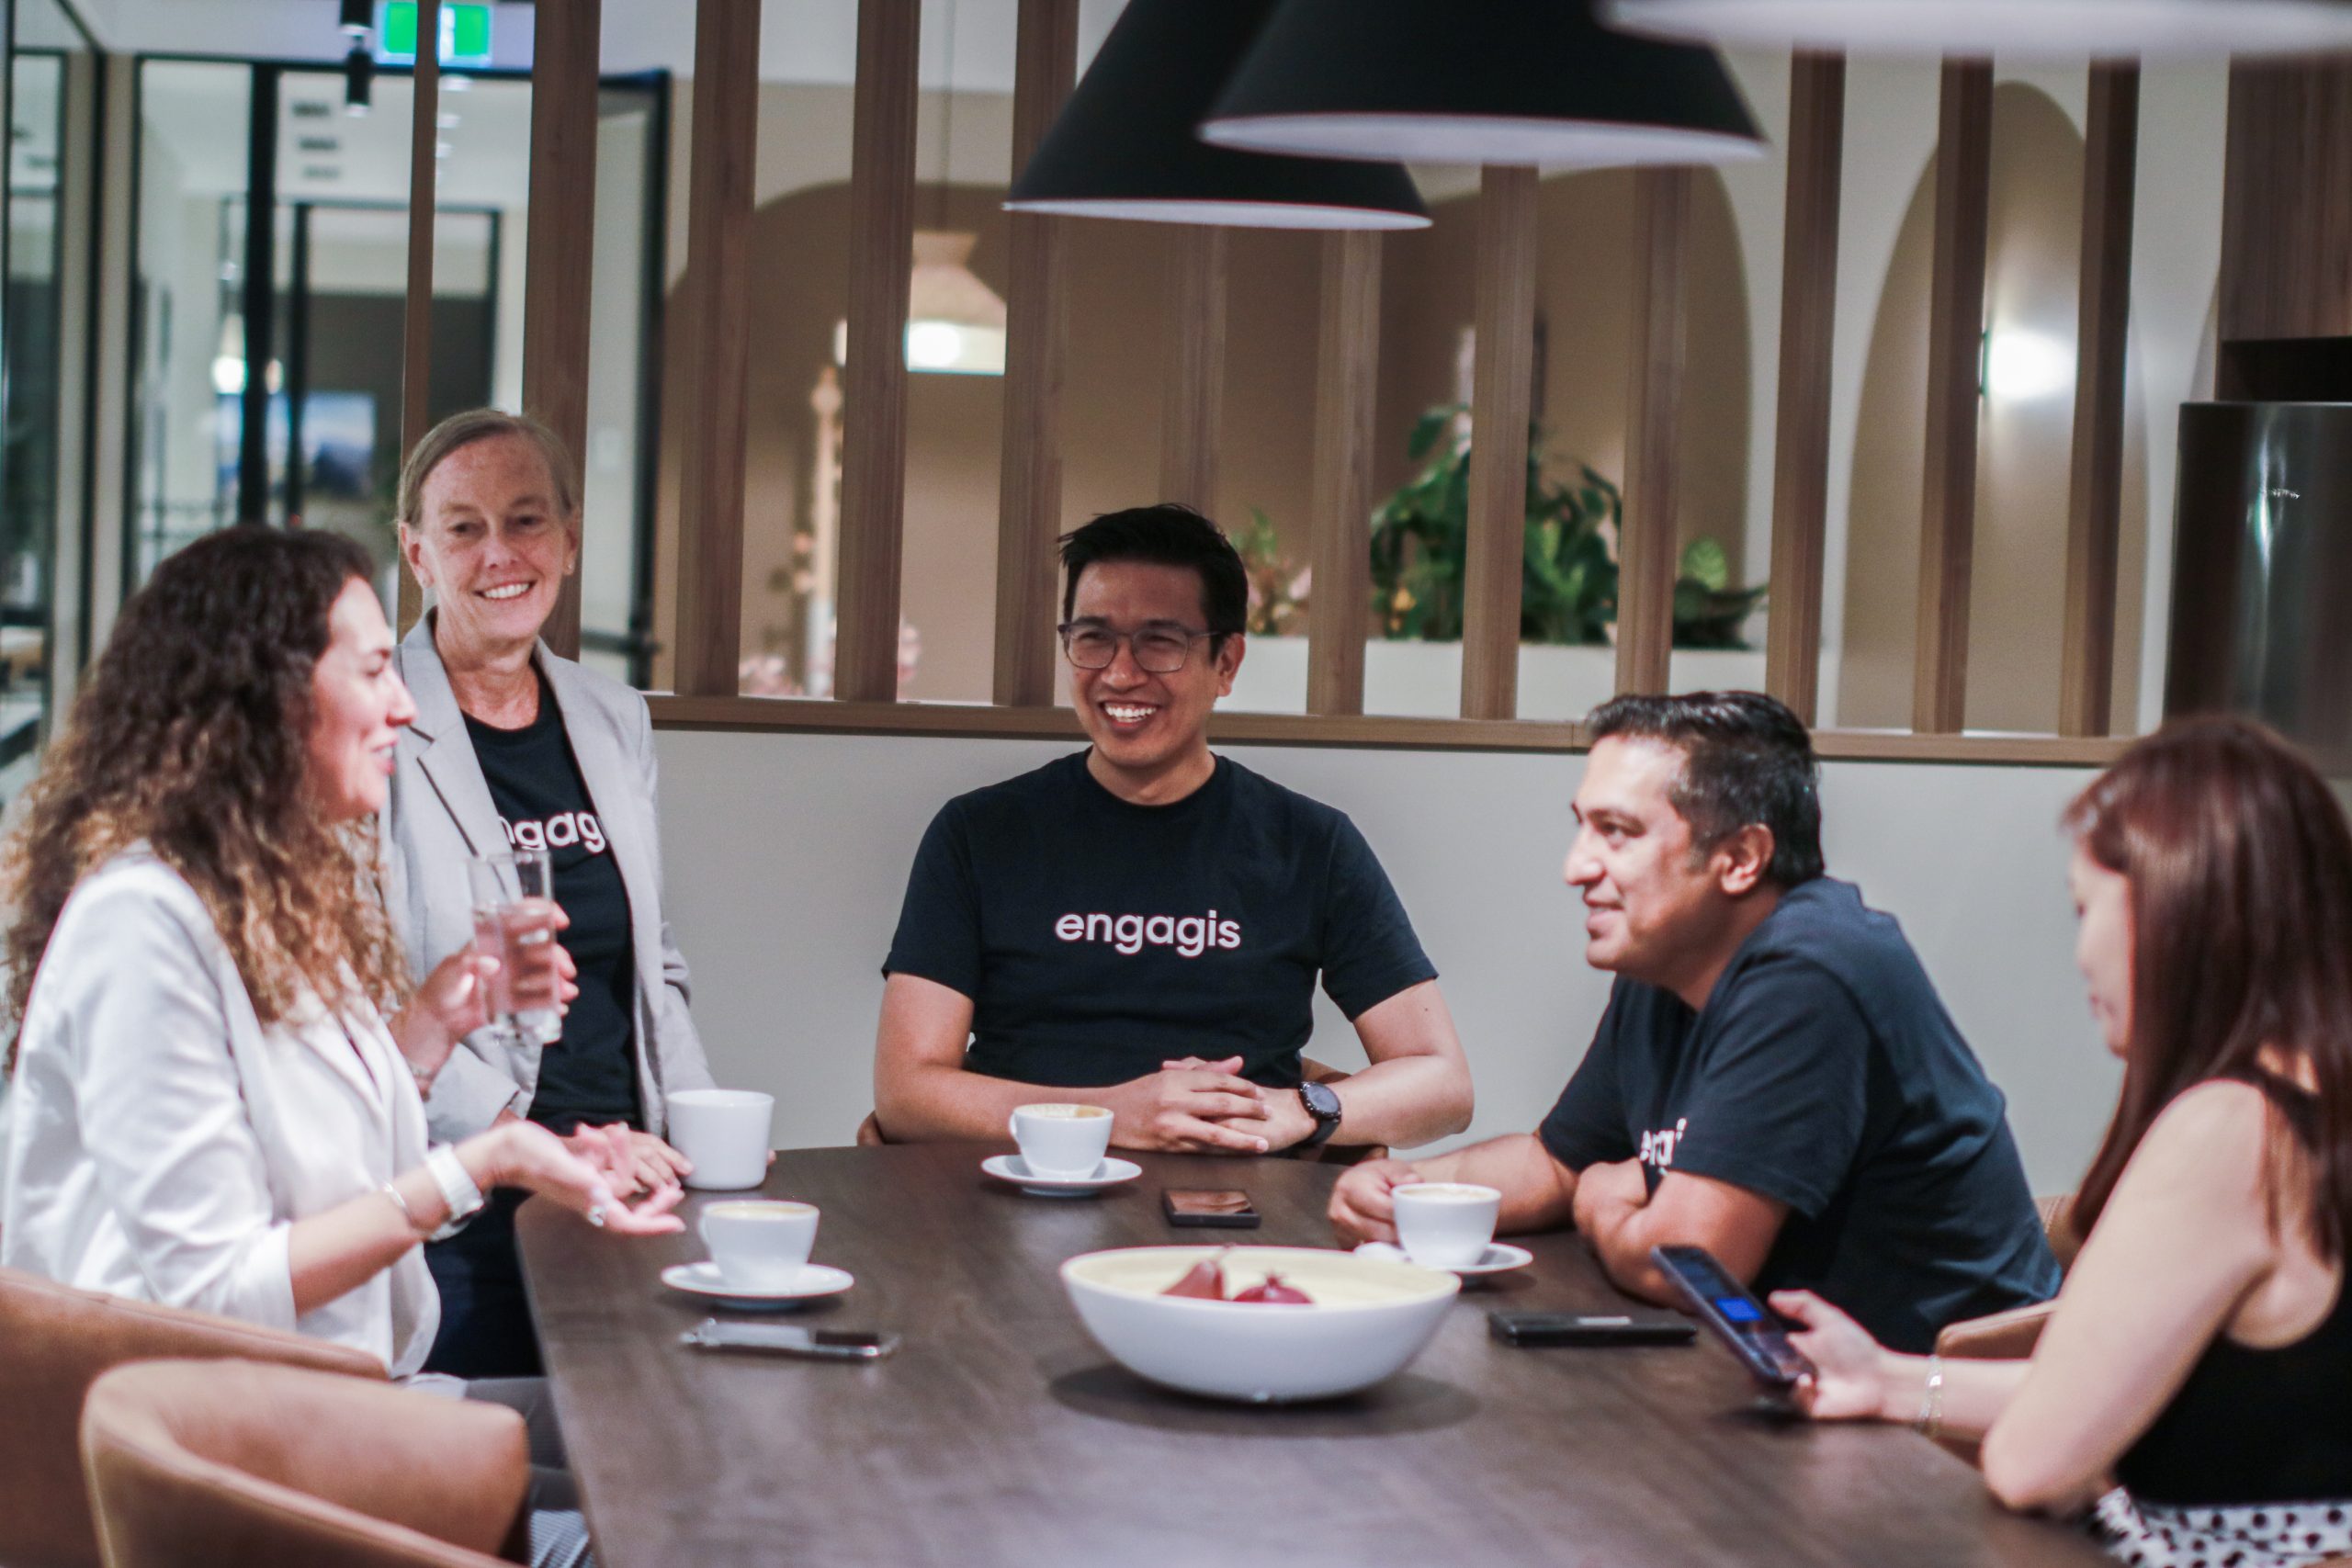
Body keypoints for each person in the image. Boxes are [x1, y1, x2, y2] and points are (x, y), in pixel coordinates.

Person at [0, 526, 681, 1567]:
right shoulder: (140, 921)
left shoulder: (270, 894)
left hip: (330, 1397)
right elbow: (216, 1295)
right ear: (265, 700)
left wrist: (436, 1021)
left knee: (665, 1435)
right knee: (654, 1525)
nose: (406, 704)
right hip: (223, 1460)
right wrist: (484, 1162)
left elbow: (310, 1151)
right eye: (371, 671)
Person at [1779, 716, 2352, 1565]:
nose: (2081, 955)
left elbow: (2034, 1462)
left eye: (2086, 910)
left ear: (2175, 914)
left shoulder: (2232, 1129)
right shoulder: (2314, 1102)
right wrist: (1889, 1378)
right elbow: (2110, 1388)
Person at [1330, 691, 2057, 1352]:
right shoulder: (1667, 964)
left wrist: (1603, 1205)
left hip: (1934, 1402)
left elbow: (1687, 1262)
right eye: (1583, 828)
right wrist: (1407, 1188)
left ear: (1740, 857)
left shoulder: (1812, 972)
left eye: (1617, 832)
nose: (1577, 866)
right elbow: (1556, 1163)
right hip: (1773, 1366)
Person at [874, 504, 1473, 1157]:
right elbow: (906, 1091)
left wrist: (1301, 1108)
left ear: (1226, 662)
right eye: (1094, 637)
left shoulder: (1310, 843)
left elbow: (1443, 1086)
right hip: (1023, 1189)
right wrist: (1107, 1116)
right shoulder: (979, 833)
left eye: (1160, 642)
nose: (1120, 673)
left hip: (1242, 1198)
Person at [385, 408, 715, 1379]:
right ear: (417, 553)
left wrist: (701, 1133)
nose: (501, 554)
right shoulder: (376, 720)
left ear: (569, 540)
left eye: (526, 521)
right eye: (464, 528)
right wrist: (527, 1146)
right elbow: (370, 998)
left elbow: (652, 960)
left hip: (627, 1169)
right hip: (466, 1194)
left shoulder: (614, 717)